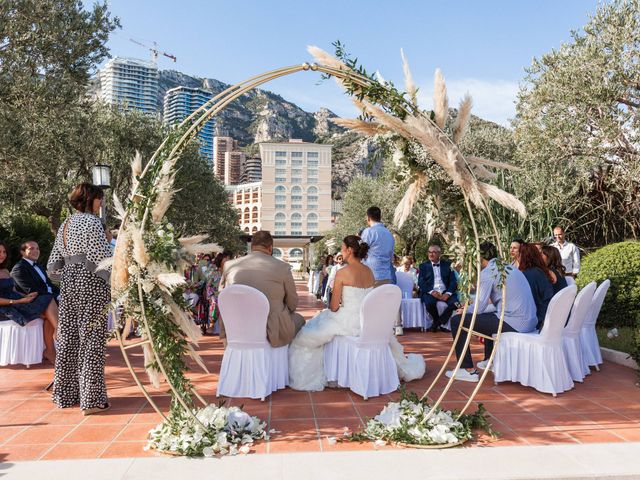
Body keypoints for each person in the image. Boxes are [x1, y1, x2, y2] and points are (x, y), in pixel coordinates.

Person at [288, 235, 425, 391]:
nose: (341, 251)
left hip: (348, 321)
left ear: (350, 250)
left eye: (342, 248)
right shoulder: (369, 272)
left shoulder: (342, 273)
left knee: (306, 336)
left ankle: (325, 373)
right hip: (369, 322)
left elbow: (333, 307)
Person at [47, 183, 112, 415]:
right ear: (89, 199)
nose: (101, 203)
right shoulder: (93, 222)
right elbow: (102, 258)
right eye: (99, 198)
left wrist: (69, 274)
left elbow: (52, 265)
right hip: (91, 285)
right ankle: (92, 401)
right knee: (92, 340)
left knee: (69, 340)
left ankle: (66, 394)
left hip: (69, 285)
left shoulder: (65, 224)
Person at [446, 242, 537, 382]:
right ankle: (490, 359)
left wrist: (464, 311)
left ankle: (466, 369)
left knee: (457, 321)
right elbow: (493, 305)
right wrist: (469, 309)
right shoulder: (509, 268)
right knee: (485, 317)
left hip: (515, 322)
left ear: (479, 257)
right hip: (529, 321)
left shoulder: (488, 272)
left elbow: (480, 306)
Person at [220, 231, 305, 348]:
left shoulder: (229, 265)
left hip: (236, 327)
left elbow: (223, 296)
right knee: (300, 320)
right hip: (270, 330)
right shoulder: (282, 267)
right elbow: (292, 304)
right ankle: (284, 361)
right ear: (270, 248)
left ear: (252, 247)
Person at [0, 241, 59, 363]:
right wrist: (17, 301)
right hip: (6, 307)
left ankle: (50, 350)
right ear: (22, 252)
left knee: (48, 314)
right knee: (47, 299)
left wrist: (26, 296)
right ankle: (61, 332)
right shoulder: (18, 268)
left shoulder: (5, 271)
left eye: (4, 252)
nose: (2, 254)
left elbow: (14, 290)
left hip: (17, 302)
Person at [418, 245, 458, 332]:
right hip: (431, 291)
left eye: (434, 252)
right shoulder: (423, 266)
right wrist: (432, 292)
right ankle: (437, 321)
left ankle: (438, 322)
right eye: (429, 252)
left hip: (445, 291)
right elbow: (421, 282)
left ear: (439, 254)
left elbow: (453, 282)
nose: (431, 254)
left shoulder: (448, 265)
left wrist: (448, 293)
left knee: (455, 303)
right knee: (429, 303)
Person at [518, 243, 555, 331]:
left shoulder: (527, 275)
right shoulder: (540, 271)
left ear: (523, 256)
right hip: (547, 316)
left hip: (536, 321)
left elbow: (526, 302)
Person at [360, 206, 395, 287]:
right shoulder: (389, 234)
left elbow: (361, 253)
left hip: (371, 276)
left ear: (368, 218)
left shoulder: (368, 232)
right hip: (386, 277)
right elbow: (391, 257)